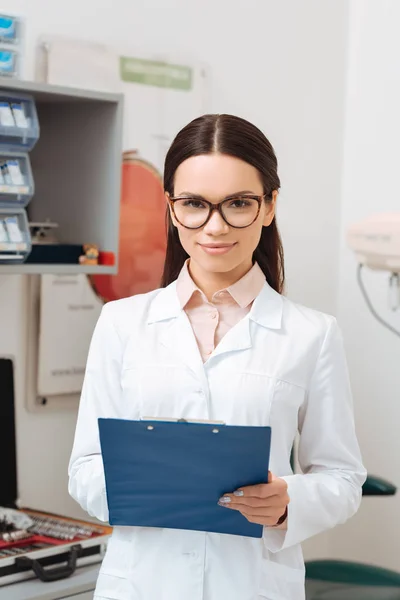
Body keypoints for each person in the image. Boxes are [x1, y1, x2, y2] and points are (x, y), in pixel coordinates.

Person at [68, 114, 366, 600]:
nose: (215, 226)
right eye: (193, 205)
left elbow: (342, 477)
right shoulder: (121, 324)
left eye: (238, 204)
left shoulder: (313, 334)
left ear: (269, 206)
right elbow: (84, 467)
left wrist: (289, 502)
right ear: (170, 207)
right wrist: (152, 487)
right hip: (143, 582)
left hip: (250, 583)